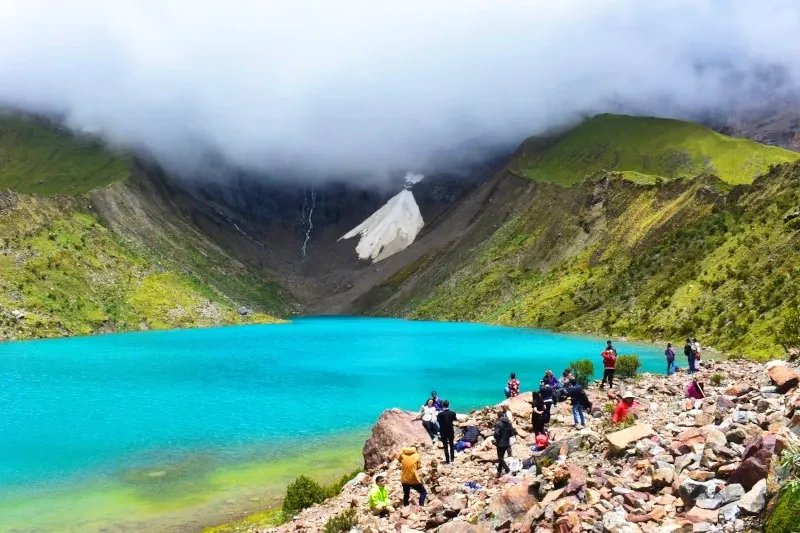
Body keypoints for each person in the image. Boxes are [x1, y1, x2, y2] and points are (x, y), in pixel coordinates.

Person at [493, 410, 516, 477]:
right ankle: (498, 472)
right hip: (507, 443)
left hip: (500, 443)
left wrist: (495, 438)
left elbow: (496, 433)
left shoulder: (498, 423)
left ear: (498, 416)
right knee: (501, 458)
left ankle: (507, 470)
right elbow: (512, 433)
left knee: (500, 459)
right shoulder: (509, 423)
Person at [436, 400, 457, 464]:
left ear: (443, 405)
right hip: (450, 431)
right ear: (448, 405)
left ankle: (447, 460)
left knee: (445, 446)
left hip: (443, 431)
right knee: (451, 445)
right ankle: (452, 459)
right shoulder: (453, 413)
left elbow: (438, 421)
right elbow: (455, 419)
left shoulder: (440, 414)